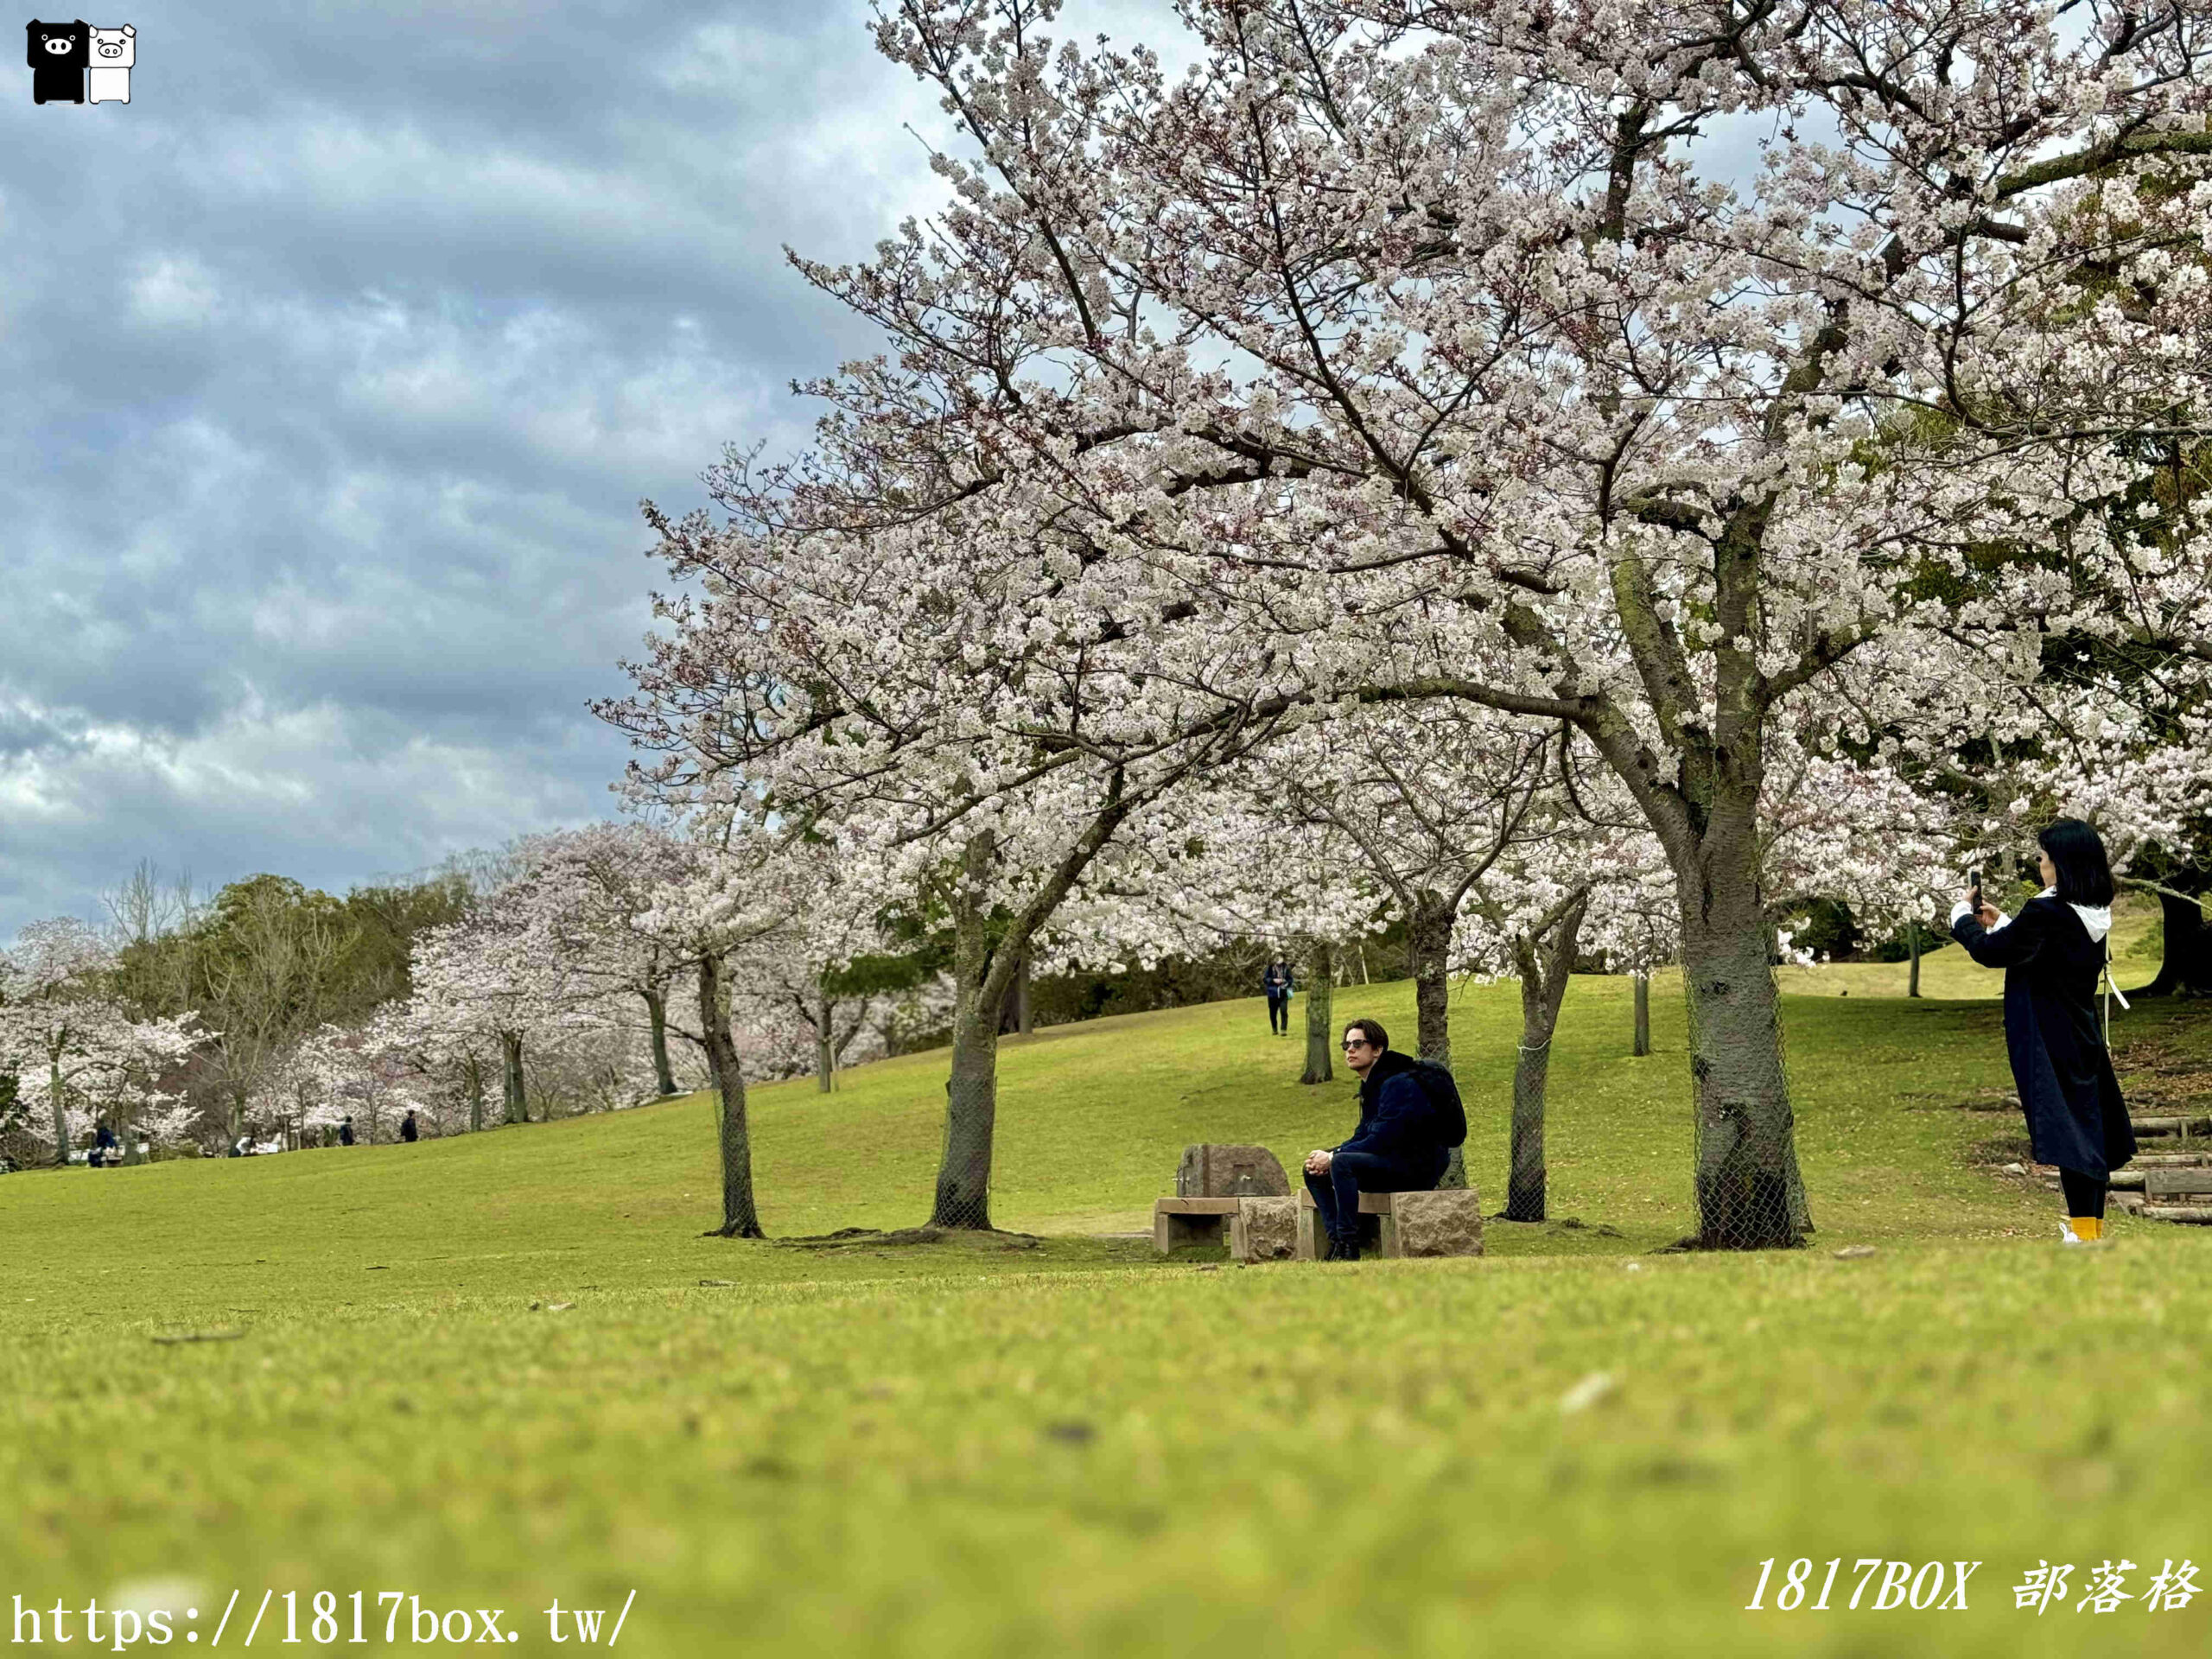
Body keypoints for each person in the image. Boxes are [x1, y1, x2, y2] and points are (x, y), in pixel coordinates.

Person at [1950, 818, 2135, 1244]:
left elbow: (1991, 953)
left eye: (2044, 857)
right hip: (2079, 1032)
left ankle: (2084, 1237)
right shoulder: (2090, 911)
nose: (2039, 863)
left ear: (2061, 864)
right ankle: (2088, 1232)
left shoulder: (2047, 910)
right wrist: (2005, 922)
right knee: (2087, 1131)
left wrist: (1963, 917)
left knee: (2073, 1137)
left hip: (2048, 1037)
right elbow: (2047, 951)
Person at [1301, 1018, 1458, 1261]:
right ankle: (1337, 1242)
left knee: (1341, 1163)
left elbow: (1382, 1138)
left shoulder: (1398, 1083)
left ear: (1377, 1050)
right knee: (1313, 1169)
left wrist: (1334, 1156)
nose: (1350, 1049)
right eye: (1346, 1045)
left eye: (1357, 1044)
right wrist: (1327, 1155)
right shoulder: (1374, 1084)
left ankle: (1349, 1247)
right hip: (1390, 1161)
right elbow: (1363, 1134)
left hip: (1416, 1168)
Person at [1262, 958, 1295, 1036]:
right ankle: (1274, 1029)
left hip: (1283, 993)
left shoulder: (1286, 968)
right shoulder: (1270, 968)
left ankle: (1283, 1029)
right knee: (1273, 1013)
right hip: (1272, 994)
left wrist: (1284, 981)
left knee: (1284, 1011)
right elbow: (1265, 979)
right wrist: (1273, 980)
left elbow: (1290, 980)